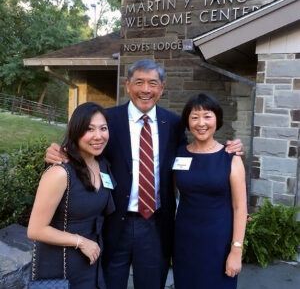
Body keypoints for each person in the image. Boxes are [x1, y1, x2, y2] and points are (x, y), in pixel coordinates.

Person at [44, 59, 243, 289]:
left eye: (152, 83)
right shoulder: (107, 120)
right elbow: (81, 147)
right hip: (114, 223)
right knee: (109, 284)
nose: (146, 89)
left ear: (162, 87)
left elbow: (197, 155)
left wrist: (230, 149)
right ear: (128, 85)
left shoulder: (175, 123)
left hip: (156, 226)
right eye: (139, 82)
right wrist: (56, 152)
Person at [27, 102, 115, 289]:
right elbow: (35, 229)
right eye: (89, 129)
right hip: (61, 267)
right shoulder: (60, 172)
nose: (98, 136)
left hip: (91, 263)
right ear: (75, 131)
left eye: (103, 128)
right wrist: (81, 242)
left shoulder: (103, 166)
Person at [173, 93, 248, 289]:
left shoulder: (231, 157)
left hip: (219, 243)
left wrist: (236, 250)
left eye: (207, 116)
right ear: (187, 122)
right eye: (194, 117)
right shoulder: (179, 153)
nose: (201, 123)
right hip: (185, 241)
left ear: (217, 119)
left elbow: (240, 207)